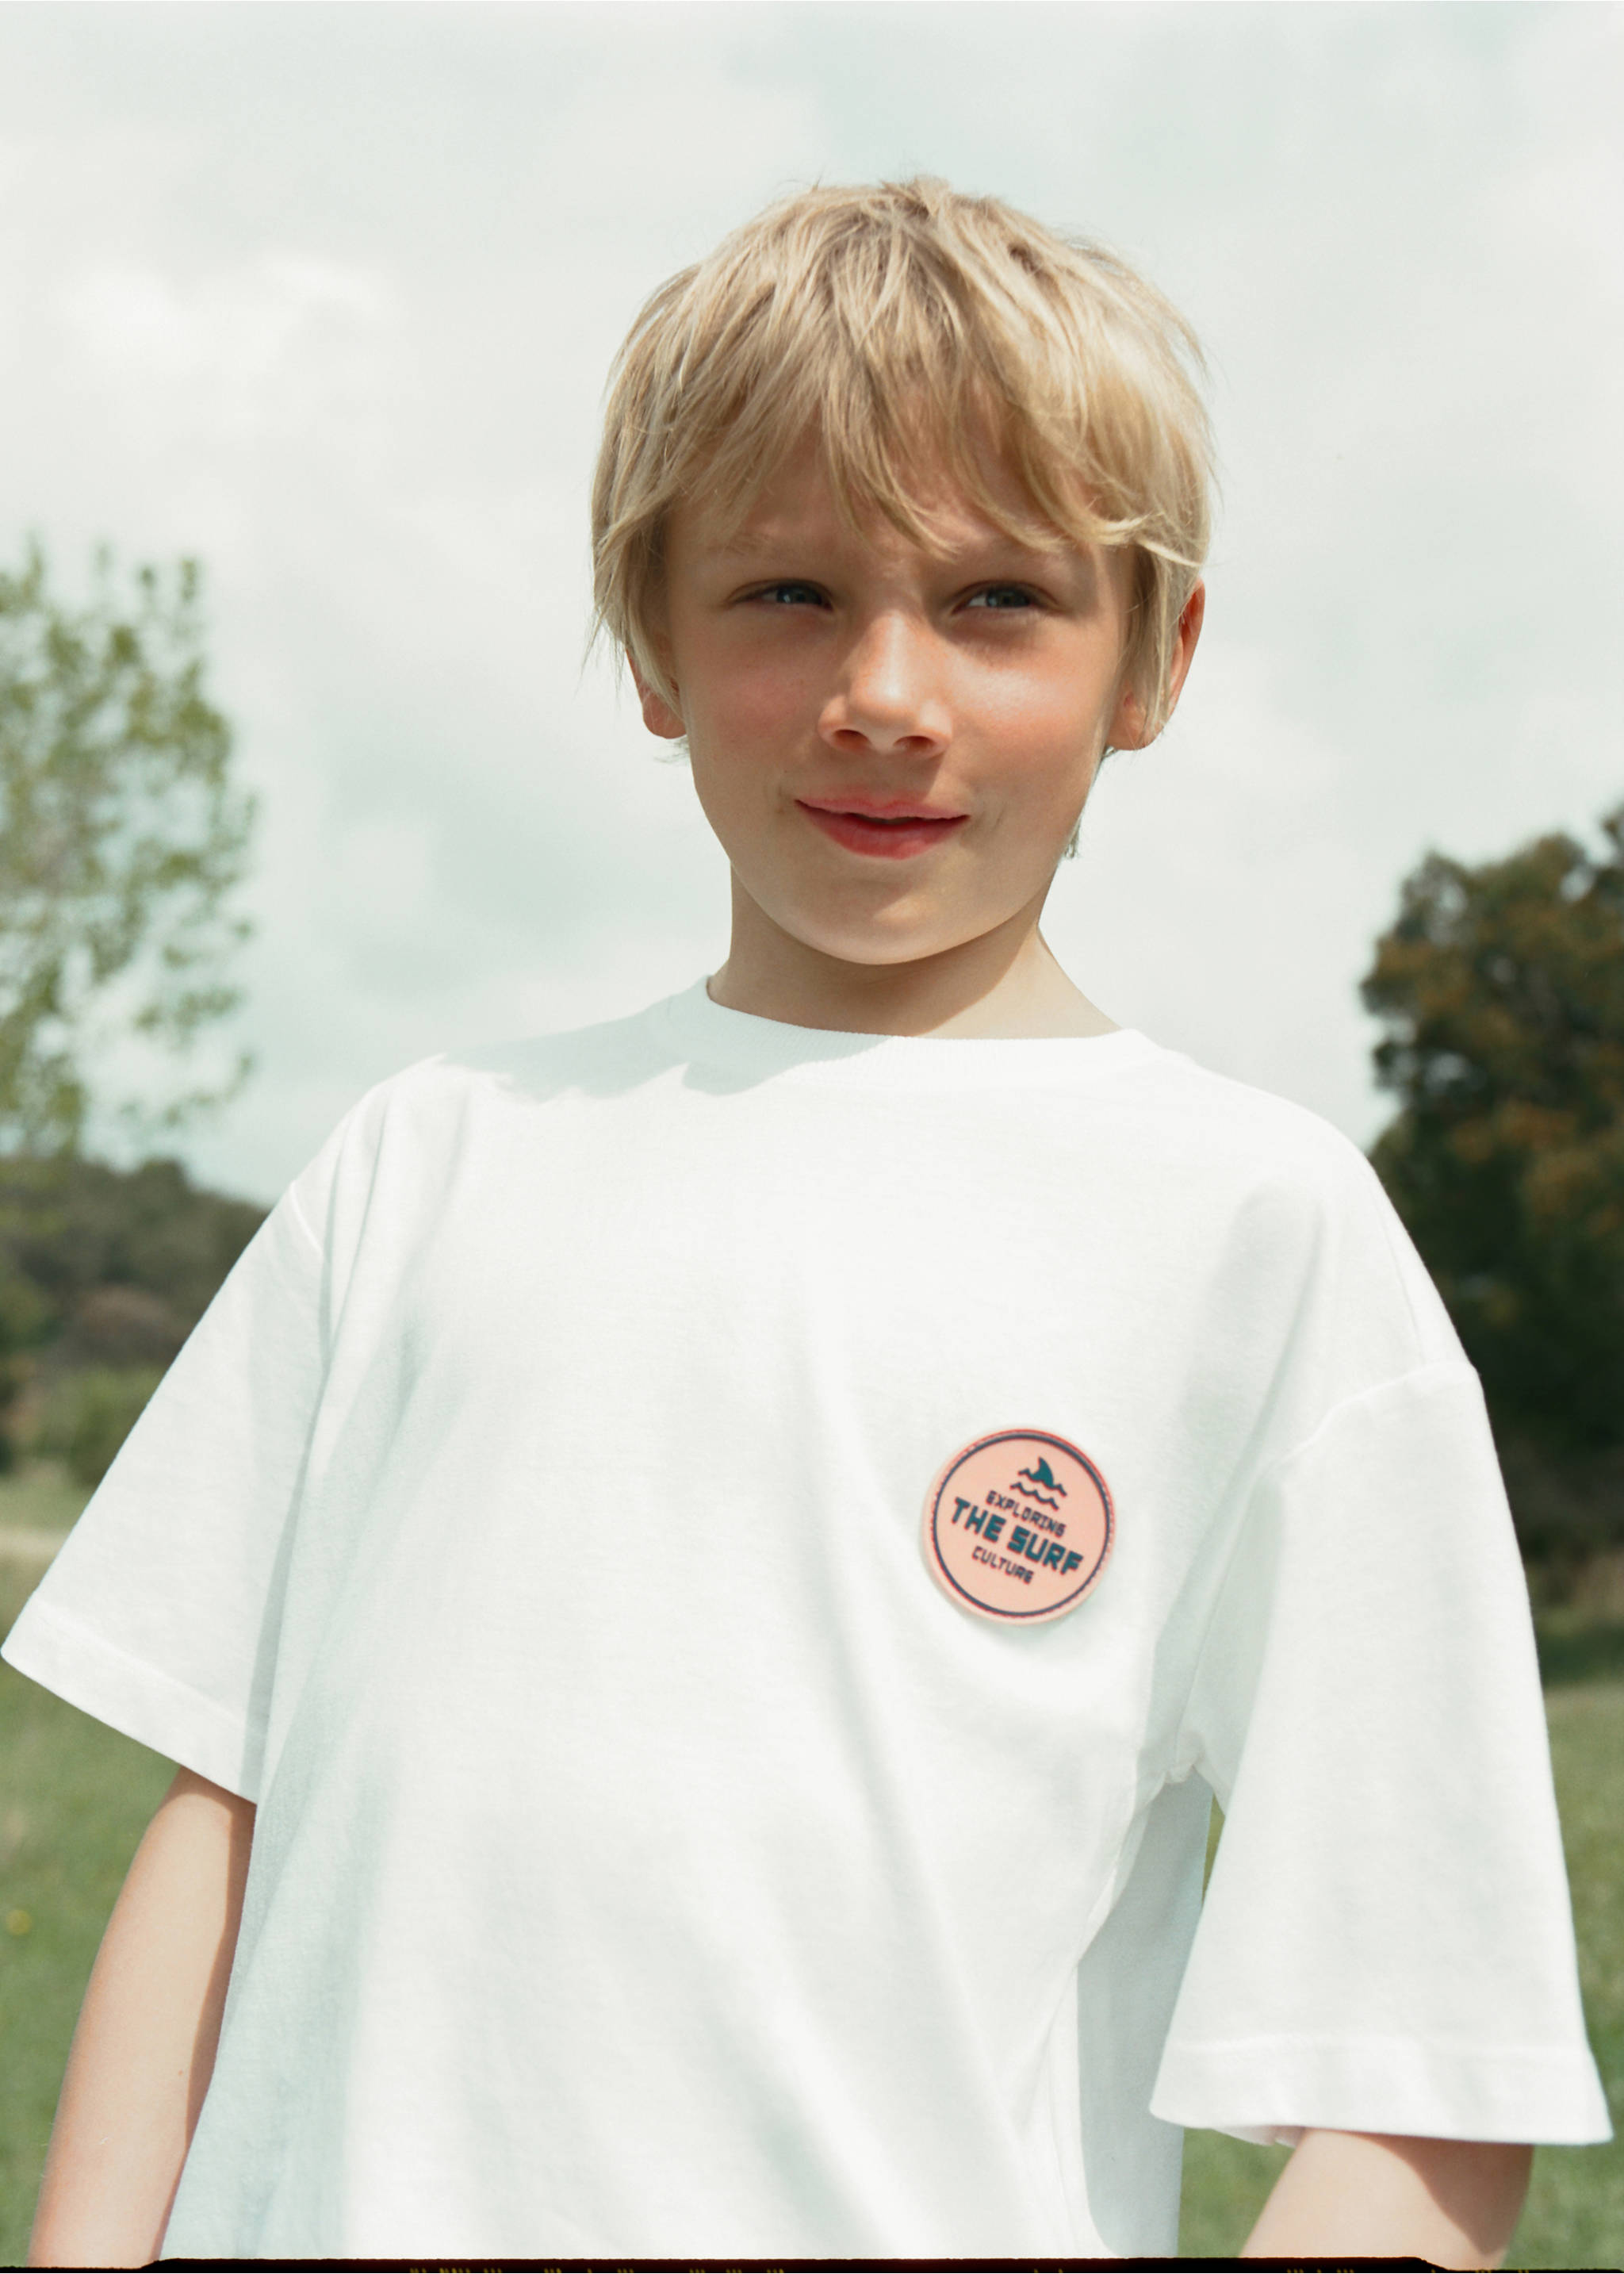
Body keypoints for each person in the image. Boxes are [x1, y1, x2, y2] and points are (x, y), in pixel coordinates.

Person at [5, 177, 1609, 2271]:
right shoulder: (432, 1155)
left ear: (1159, 656)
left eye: (1000, 601)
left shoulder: (1260, 1234)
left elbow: (1419, 2082)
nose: (885, 689)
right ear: (649, 632)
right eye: (785, 591)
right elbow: (219, 1826)